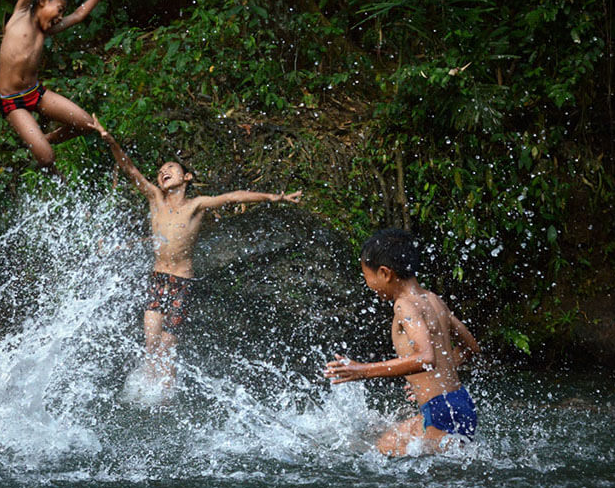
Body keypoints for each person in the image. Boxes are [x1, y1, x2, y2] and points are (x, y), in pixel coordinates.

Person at [93, 115, 302, 387]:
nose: (163, 172)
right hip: (159, 280)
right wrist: (111, 142)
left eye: (171, 168)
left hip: (182, 282)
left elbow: (232, 197)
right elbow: (130, 170)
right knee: (150, 343)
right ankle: (145, 391)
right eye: (160, 171)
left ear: (187, 177)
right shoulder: (155, 199)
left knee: (167, 347)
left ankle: (165, 397)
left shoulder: (196, 205)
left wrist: (274, 197)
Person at [324, 228, 481, 456]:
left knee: (388, 460)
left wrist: (363, 370)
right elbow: (471, 349)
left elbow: (426, 357)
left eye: (367, 276)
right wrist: (430, 378)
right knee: (384, 444)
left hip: (441, 410)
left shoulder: (404, 305)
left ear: (385, 273)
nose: (367, 283)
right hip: (459, 403)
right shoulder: (433, 300)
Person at [0, 0, 126, 173]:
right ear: (42, 2)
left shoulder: (47, 30)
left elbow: (79, 15)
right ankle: (52, 172)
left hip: (36, 94)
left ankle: (44, 140)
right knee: (46, 158)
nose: (60, 17)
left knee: (89, 125)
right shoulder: (20, 14)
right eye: (58, 10)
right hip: (12, 101)